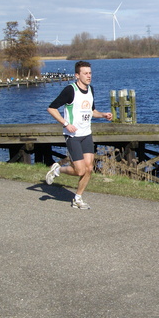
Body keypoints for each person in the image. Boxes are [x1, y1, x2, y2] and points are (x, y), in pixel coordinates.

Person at [45, 61, 112, 209]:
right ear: (77, 75)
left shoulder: (91, 90)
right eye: (85, 73)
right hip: (72, 135)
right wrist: (65, 123)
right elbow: (51, 108)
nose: (89, 76)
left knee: (89, 168)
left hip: (86, 134)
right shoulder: (70, 90)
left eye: (90, 73)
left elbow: (92, 111)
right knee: (80, 170)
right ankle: (57, 169)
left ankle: (78, 198)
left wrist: (103, 115)